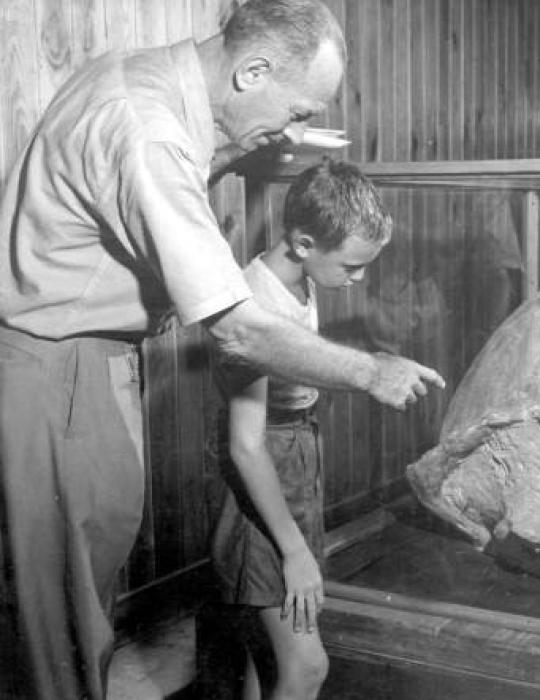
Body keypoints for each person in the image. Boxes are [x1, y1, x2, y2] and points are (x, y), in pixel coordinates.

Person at [0, 1, 443, 698]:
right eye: (297, 109)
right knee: (63, 613)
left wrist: (256, 144)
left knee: (88, 589)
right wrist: (370, 370)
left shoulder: (147, 86)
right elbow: (236, 328)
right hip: (60, 364)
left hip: (88, 359)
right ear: (253, 70)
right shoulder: (148, 129)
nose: (296, 128)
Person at [210, 158, 390, 700]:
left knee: (269, 661)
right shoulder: (256, 304)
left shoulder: (298, 280)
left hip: (295, 454)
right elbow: (245, 445)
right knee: (307, 666)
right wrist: (293, 551)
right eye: (352, 266)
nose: (358, 279)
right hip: (262, 476)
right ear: (305, 242)